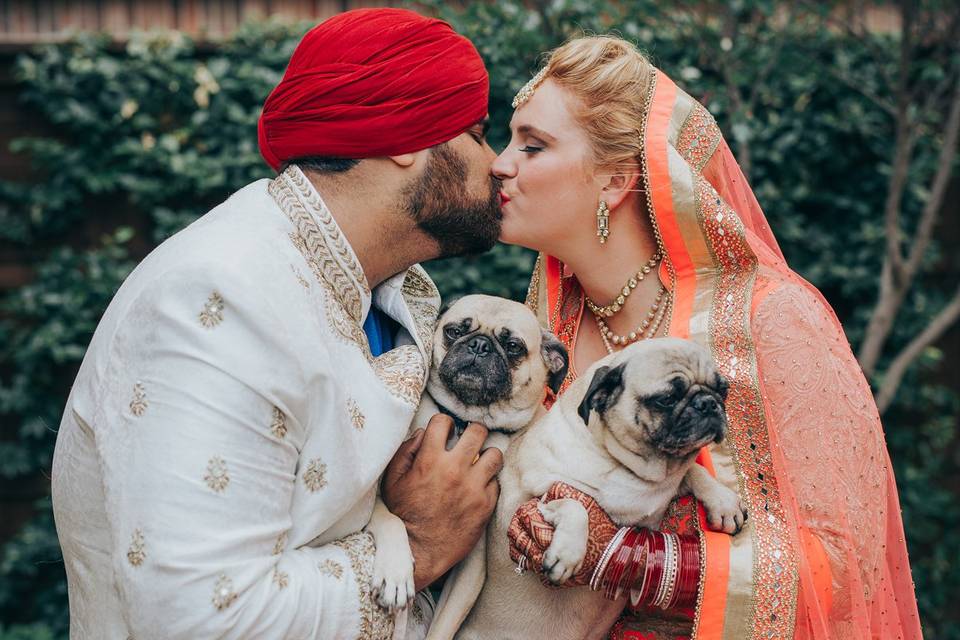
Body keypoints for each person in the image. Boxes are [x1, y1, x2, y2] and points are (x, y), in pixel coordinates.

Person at [50, 8, 505, 639]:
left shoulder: (382, 291)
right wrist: (421, 549)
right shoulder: (220, 298)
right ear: (404, 138)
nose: (500, 164)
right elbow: (202, 618)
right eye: (479, 134)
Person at [494, 35, 922, 639]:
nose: (499, 163)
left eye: (531, 146)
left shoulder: (773, 323)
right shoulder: (544, 322)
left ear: (614, 182)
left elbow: (844, 567)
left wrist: (628, 559)